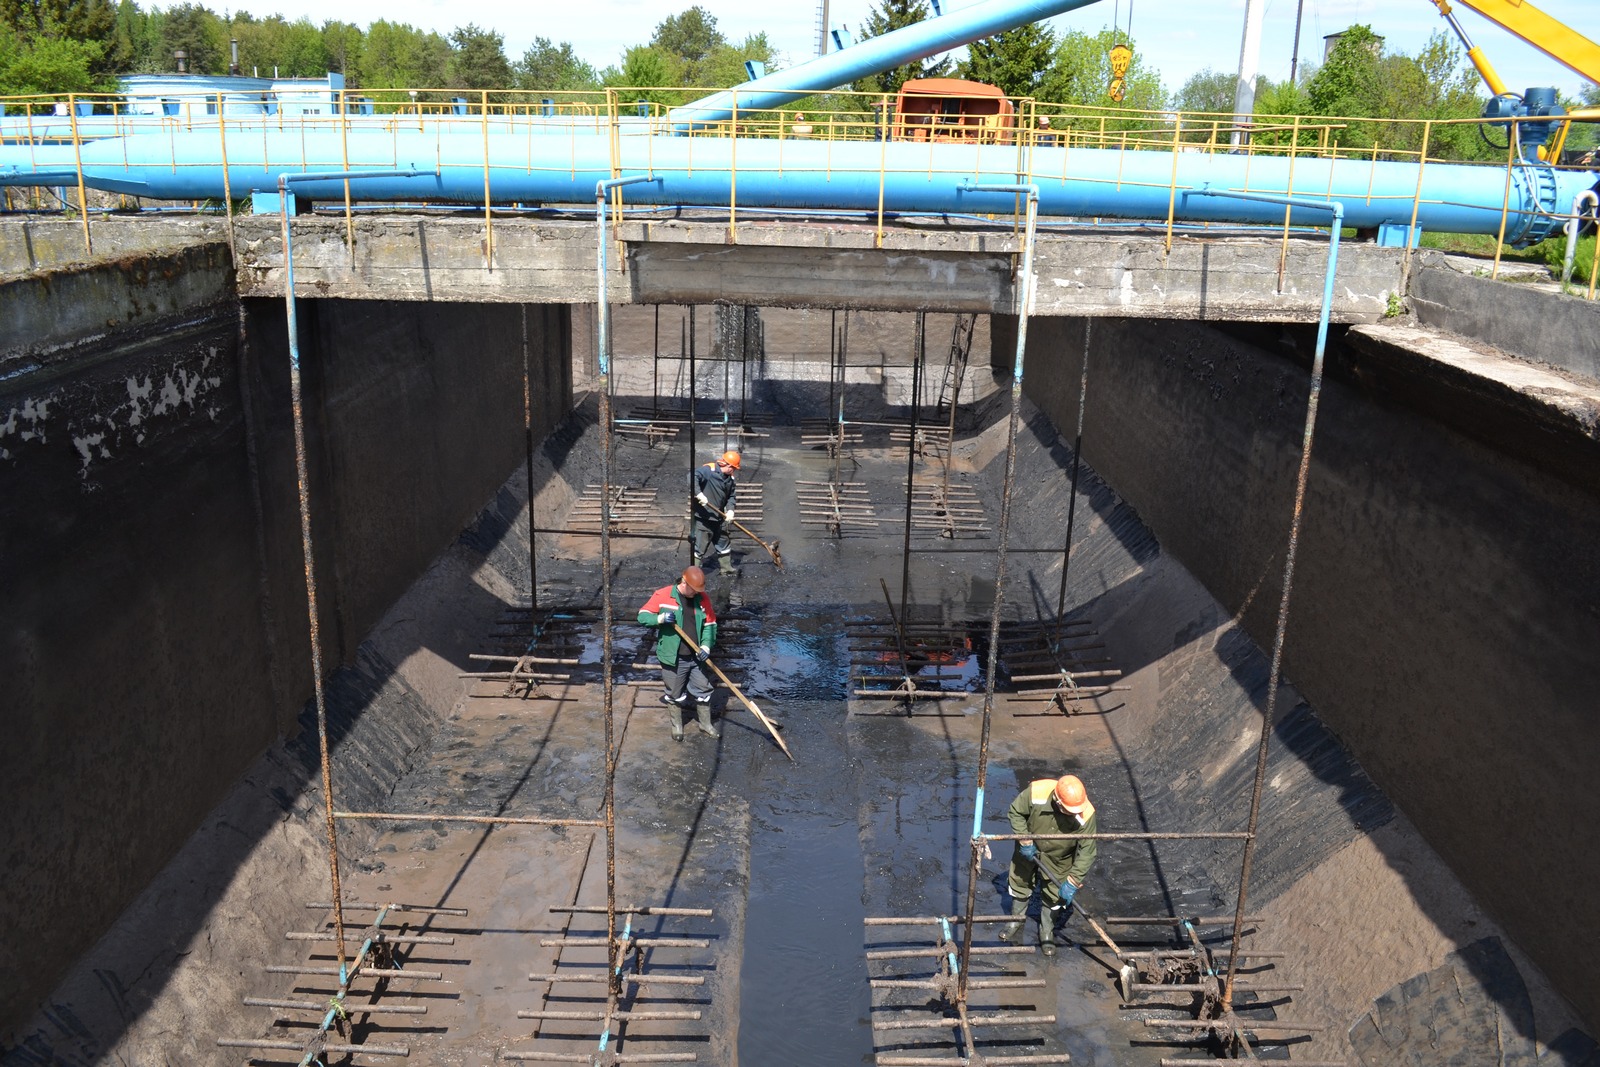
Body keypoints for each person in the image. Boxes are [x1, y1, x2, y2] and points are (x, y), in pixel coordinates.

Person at [998, 774, 1098, 957]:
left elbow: (1087, 851)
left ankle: (1046, 931)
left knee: (1054, 894)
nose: (1075, 813)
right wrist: (1025, 839)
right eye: (1070, 810)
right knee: (1020, 881)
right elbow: (1015, 812)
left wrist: (1074, 880)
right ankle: (1015, 921)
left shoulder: (1086, 813)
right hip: (1028, 849)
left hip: (1059, 858)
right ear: (1057, 801)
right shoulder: (1036, 793)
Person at [637, 565, 720, 741]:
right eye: (694, 590)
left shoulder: (702, 598)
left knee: (703, 689)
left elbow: (710, 625)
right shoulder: (664, 595)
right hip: (673, 657)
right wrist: (659, 619)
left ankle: (705, 724)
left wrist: (706, 646)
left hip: (696, 656)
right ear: (684, 582)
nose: (696, 593)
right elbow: (642, 616)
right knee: (674, 693)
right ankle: (677, 727)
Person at [691, 450, 741, 575]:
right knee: (700, 547)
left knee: (723, 543)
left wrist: (730, 510)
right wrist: (699, 494)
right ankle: (692, 574)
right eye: (733, 468)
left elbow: (731, 497)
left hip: (720, 518)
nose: (733, 471)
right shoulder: (709, 470)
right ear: (728, 465)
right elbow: (691, 477)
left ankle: (726, 569)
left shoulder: (730, 479)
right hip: (705, 518)